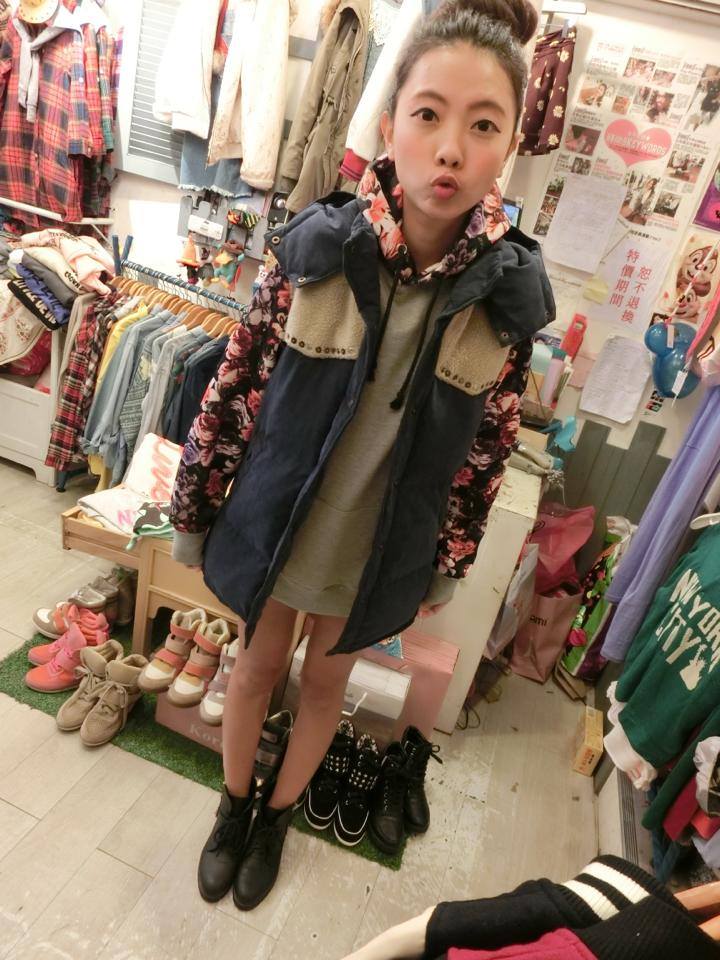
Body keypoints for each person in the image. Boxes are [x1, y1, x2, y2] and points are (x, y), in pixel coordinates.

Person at [169, 0, 553, 912]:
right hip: (281, 521)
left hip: (378, 543)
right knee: (256, 666)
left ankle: (277, 818)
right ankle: (233, 806)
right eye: (428, 115)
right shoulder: (316, 248)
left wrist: (449, 564)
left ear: (509, 148)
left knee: (326, 684)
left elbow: (488, 451)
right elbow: (234, 387)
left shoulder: (508, 302)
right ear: (389, 126)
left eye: (483, 126)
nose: (450, 149)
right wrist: (195, 508)